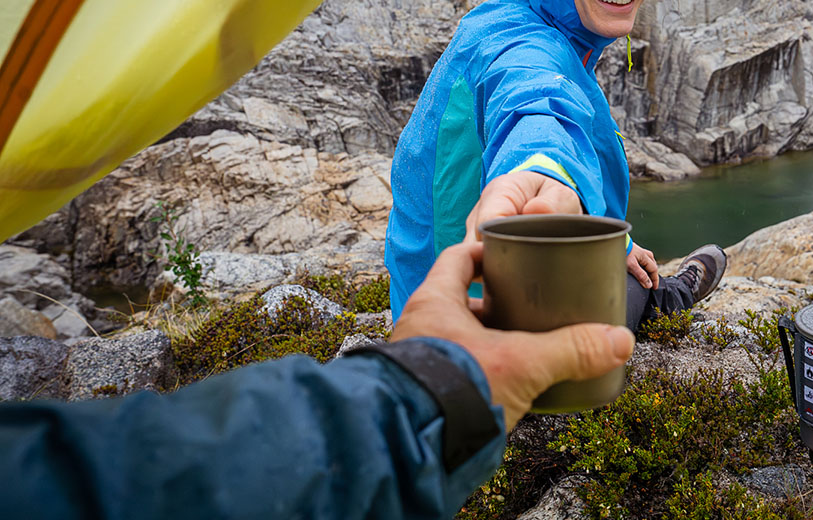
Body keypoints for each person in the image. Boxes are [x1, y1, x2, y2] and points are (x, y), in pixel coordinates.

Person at [0, 176, 636, 520]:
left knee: (631, 282)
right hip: (404, 404)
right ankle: (655, 296)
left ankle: (651, 288)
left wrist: (417, 388)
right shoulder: (514, 33)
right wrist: (426, 396)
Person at [384, 0, 726, 331]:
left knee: (617, 263)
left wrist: (618, 244)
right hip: (471, 327)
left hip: (445, 304)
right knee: (629, 292)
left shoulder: (516, 22)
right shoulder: (519, 44)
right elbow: (533, 99)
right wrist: (544, 171)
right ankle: (671, 295)